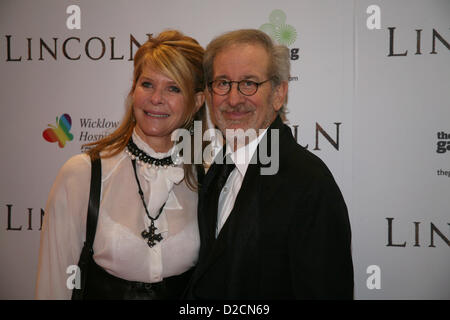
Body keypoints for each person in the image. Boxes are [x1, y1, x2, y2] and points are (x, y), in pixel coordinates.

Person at [35, 30, 206, 299]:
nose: (156, 98)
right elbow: (54, 286)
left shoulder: (206, 178)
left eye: (173, 88)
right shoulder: (82, 174)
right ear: (133, 89)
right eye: (147, 84)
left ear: (197, 102)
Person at [184, 29, 354, 299]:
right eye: (223, 83)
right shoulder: (216, 170)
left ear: (278, 93)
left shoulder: (309, 183)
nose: (234, 99)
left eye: (249, 83)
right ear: (209, 93)